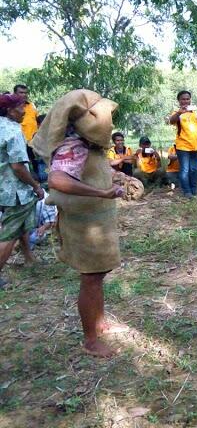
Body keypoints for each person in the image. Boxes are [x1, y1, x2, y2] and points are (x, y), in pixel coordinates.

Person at [32, 89, 126, 357]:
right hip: (84, 227)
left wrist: (116, 178)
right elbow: (57, 180)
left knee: (97, 275)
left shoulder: (88, 145)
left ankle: (100, 325)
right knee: (91, 278)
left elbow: (97, 170)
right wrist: (101, 193)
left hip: (95, 222)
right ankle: (90, 339)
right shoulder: (73, 145)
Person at [0, 94, 44, 289]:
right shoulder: (12, 131)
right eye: (20, 107)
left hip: (3, 187)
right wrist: (35, 185)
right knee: (9, 234)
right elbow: (18, 167)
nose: (24, 110)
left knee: (21, 225)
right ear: (9, 111)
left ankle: (29, 258)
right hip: (15, 191)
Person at [168, 90, 197, 198]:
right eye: (183, 99)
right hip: (182, 146)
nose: (185, 101)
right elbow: (171, 121)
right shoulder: (177, 113)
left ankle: (194, 189)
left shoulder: (194, 113)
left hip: (195, 146)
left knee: (194, 169)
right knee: (184, 169)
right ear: (179, 101)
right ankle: (187, 191)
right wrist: (180, 112)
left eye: (187, 99)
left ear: (190, 100)